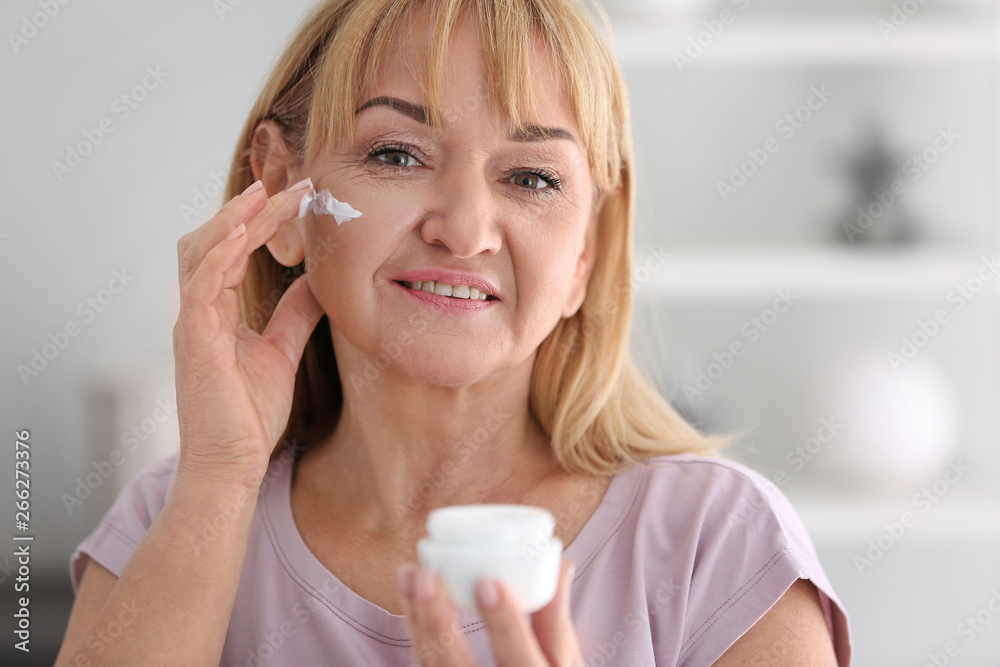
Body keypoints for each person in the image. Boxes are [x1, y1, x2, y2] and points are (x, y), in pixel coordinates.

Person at [56, 0, 852, 664]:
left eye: (533, 177)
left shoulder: (718, 549)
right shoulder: (173, 516)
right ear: (280, 190)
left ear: (587, 251)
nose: (466, 229)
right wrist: (221, 478)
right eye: (399, 153)